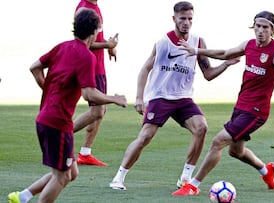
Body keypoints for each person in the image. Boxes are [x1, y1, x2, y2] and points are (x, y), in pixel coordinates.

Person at [172, 10, 274, 196]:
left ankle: (192, 185)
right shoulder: (249, 45)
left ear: (272, 30)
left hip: (256, 112)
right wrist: (196, 50)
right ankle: (266, 171)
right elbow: (225, 53)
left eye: (265, 27)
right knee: (236, 151)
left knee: (218, 142)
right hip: (241, 106)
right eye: (257, 26)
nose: (260, 31)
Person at [109, 1, 239, 191]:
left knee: (201, 127)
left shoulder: (198, 42)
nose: (186, 23)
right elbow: (145, 69)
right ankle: (119, 177)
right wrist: (139, 98)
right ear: (174, 19)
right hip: (160, 96)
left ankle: (185, 178)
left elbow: (208, 74)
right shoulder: (163, 43)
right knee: (146, 136)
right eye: (183, 19)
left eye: (190, 19)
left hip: (183, 98)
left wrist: (225, 65)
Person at [7, 9, 127, 203]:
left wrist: (49, 90)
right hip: (58, 123)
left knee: (70, 172)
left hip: (44, 118)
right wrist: (114, 98)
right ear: (95, 31)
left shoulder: (62, 46)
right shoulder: (87, 57)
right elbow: (89, 93)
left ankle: (21, 196)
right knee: (61, 176)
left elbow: (34, 67)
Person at [73, 0, 120, 166]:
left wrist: (109, 47)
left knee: (100, 111)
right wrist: (107, 45)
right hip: (90, 66)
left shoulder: (95, 6)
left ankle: (85, 152)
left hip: (99, 65)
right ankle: (60, 135)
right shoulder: (84, 8)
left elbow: (94, 37)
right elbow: (83, 42)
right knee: (97, 111)